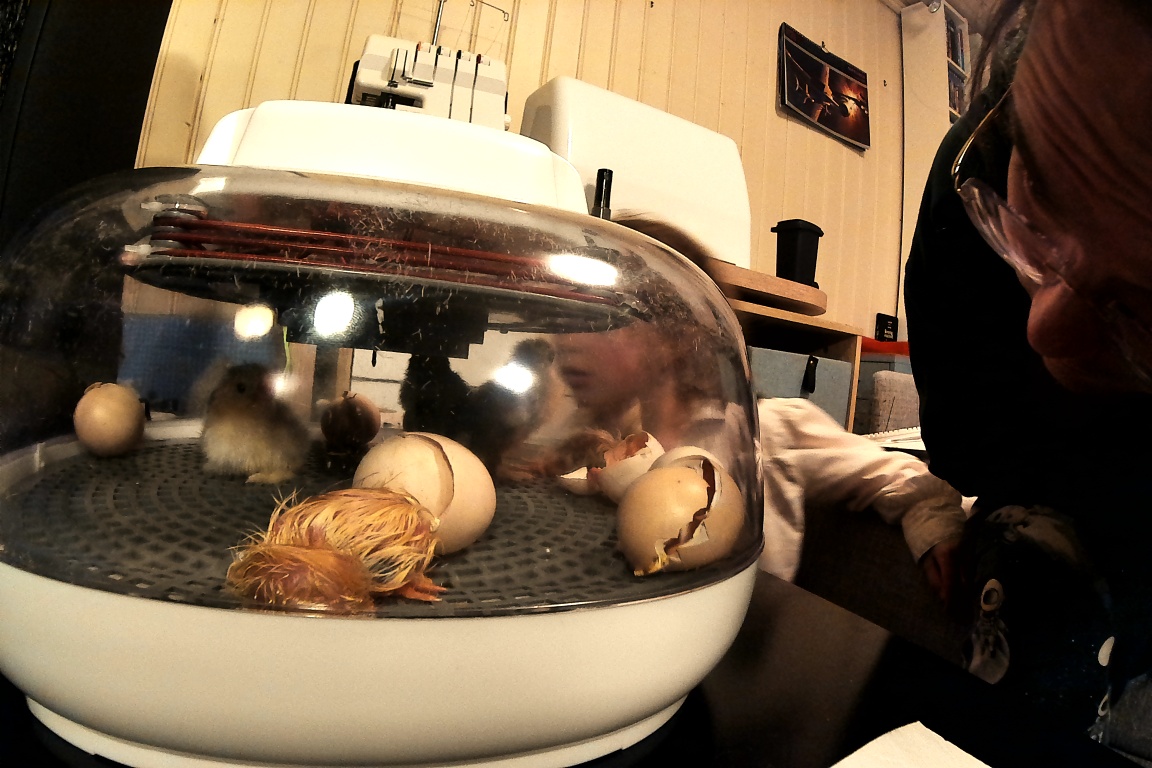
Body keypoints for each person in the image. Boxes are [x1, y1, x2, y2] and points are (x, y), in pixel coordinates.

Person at [904, 0, 1152, 755]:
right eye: (1040, 190)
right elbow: (966, 447)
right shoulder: (971, 168)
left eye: (1139, 309)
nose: (1043, 330)